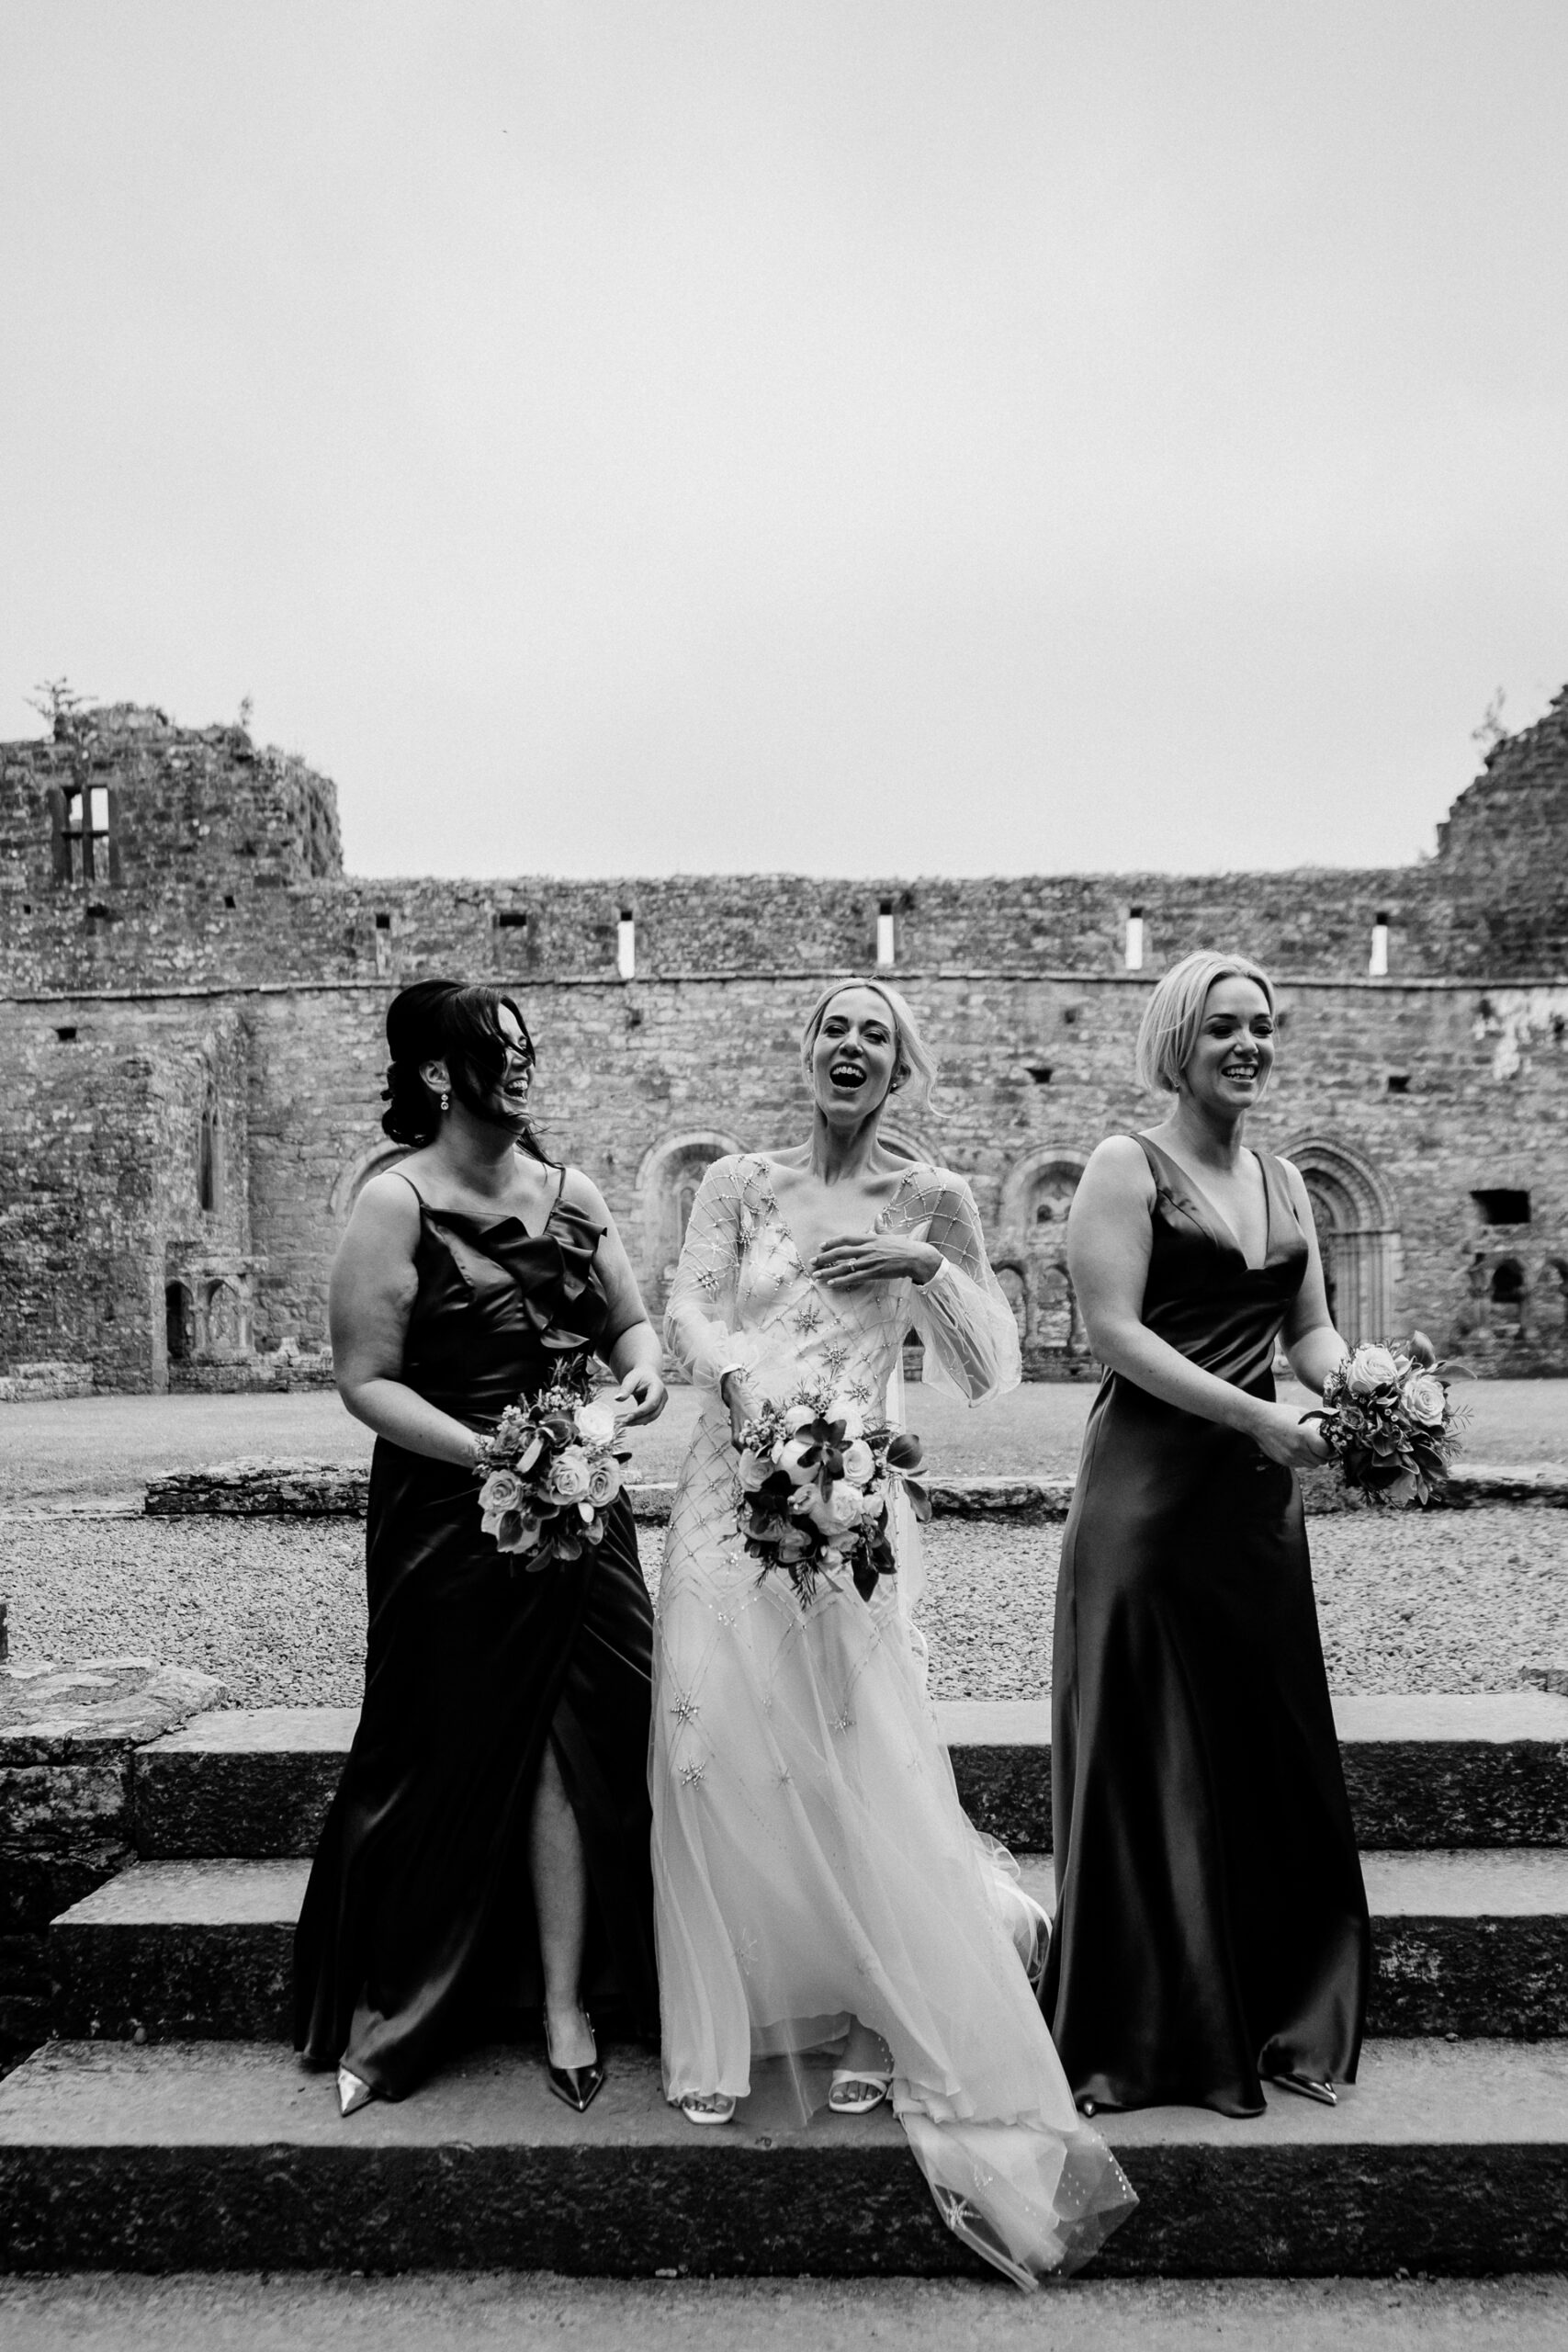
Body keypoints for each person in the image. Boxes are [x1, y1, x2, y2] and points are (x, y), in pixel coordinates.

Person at [650, 979, 1135, 2288]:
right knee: (713, 1741)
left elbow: (994, 1361)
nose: (850, 1048)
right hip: (720, 1486)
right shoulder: (736, 1182)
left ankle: (879, 2012)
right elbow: (689, 1308)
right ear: (804, 1054)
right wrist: (743, 1379)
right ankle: (732, 2019)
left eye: (876, 1034)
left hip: (857, 1504)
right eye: (834, 1029)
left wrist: (929, 1269)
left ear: (900, 1066)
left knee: (858, 1751)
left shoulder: (935, 1199)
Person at [295, 979, 667, 2115]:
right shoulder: (393, 1203)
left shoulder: (575, 1193)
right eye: (495, 1051)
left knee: (602, 1728)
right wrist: (494, 1459)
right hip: (450, 1514)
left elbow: (626, 1324)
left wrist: (642, 1373)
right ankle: (406, 2003)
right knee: (439, 1747)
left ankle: (570, 1998)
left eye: (524, 1049)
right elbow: (365, 1381)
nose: (520, 1067)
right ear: (439, 1074)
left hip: (581, 1508)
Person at [1042, 950, 1370, 2117]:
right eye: (1226, 1026)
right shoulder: (1124, 1165)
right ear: (1178, 1040)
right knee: (1150, 1754)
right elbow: (1114, 1334)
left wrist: (1367, 1388)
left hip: (1253, 1515)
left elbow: (1314, 1332)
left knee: (1260, 1746)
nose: (1249, 1045)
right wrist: (1259, 1418)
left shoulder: (1287, 1181)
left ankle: (1280, 2013)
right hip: (1148, 1502)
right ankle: (1139, 2034)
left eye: (1264, 1028)